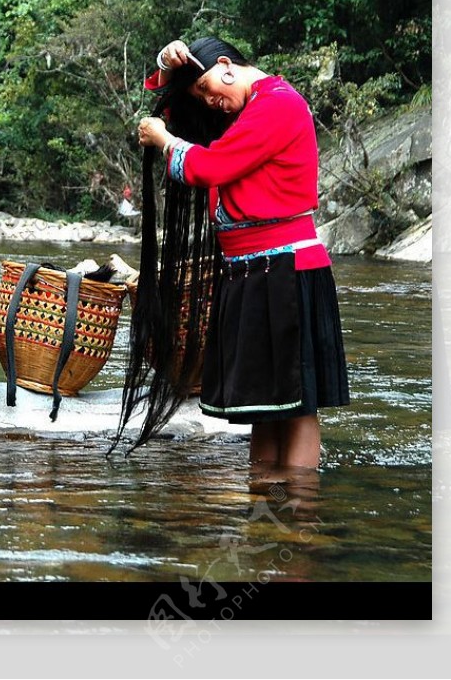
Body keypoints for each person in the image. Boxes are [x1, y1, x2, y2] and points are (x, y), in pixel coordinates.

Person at [130, 36, 350, 470]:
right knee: (263, 409)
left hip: (286, 269)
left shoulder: (278, 105)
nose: (211, 102)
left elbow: (207, 167)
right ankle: (265, 515)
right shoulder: (249, 108)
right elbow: (169, 105)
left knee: (299, 407)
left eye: (209, 90)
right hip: (253, 271)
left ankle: (299, 519)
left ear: (227, 66)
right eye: (203, 96)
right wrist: (166, 63)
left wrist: (163, 141)